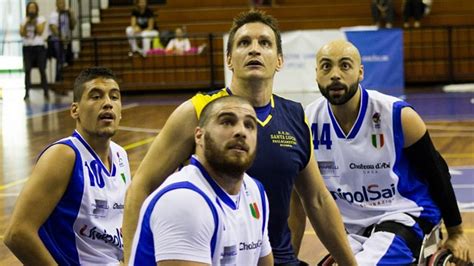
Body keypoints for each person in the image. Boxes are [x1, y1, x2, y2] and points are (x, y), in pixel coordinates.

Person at [123, 10, 356, 266]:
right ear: (229, 59)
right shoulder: (198, 110)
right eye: (244, 43)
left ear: (279, 60)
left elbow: (317, 200)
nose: (254, 50)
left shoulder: (294, 115)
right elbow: (141, 185)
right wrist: (128, 260)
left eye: (264, 43)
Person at [305, 39, 471, 265]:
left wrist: (457, 232)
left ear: (360, 72)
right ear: (316, 74)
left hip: (403, 215)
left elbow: (437, 173)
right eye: (326, 66)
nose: (335, 74)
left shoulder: (397, 115)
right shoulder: (308, 120)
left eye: (345, 65)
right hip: (351, 226)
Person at [4, 67, 130, 265]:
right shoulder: (64, 155)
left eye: (114, 97)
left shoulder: (121, 155)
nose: (107, 103)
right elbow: (17, 234)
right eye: (96, 97)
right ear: (75, 110)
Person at [130, 96, 273, 265]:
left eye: (249, 125)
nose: (241, 131)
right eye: (227, 122)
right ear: (199, 136)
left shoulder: (255, 190)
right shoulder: (183, 200)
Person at [20, 2, 48, 100]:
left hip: (39, 48)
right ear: (27, 9)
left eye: (33, 8)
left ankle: (46, 91)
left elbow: (40, 32)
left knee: (42, 69)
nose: (31, 10)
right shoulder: (24, 20)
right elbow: (22, 33)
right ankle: (27, 93)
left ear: (36, 9)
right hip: (27, 48)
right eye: (30, 8)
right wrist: (27, 22)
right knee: (27, 70)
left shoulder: (41, 19)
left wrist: (34, 21)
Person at [48, 0, 76, 82]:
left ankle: (62, 80)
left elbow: (73, 25)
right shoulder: (54, 15)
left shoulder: (66, 14)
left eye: (63, 3)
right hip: (57, 41)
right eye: (60, 3)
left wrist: (72, 15)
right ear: (56, 5)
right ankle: (58, 81)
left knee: (65, 60)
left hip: (66, 40)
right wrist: (61, 37)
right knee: (60, 59)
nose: (62, 5)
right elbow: (53, 27)